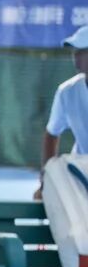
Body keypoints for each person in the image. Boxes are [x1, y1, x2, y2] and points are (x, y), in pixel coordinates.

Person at [33, 25, 88, 200]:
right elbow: (51, 134)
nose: (75, 57)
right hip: (80, 177)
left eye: (81, 51)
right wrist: (46, 180)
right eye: (75, 51)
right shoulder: (67, 91)